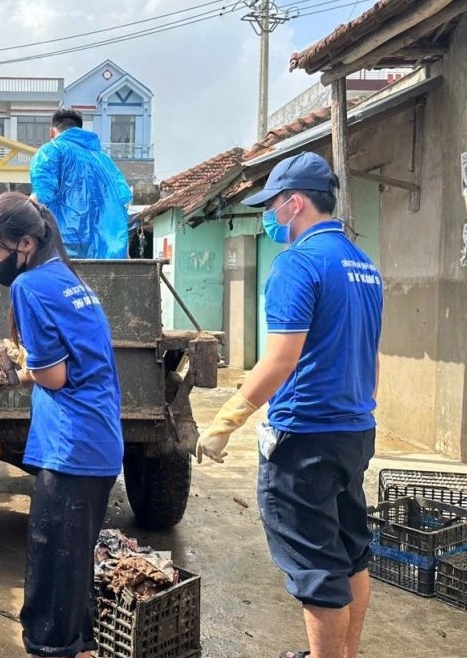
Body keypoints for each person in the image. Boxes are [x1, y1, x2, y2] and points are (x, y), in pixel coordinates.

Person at [196, 152, 383, 658]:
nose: (270, 216)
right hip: (354, 432)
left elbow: (279, 361)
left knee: (317, 571)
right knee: (351, 554)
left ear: (295, 203)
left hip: (305, 439)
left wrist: (226, 421)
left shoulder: (297, 264)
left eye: (272, 205)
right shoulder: (363, 265)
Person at [0, 191, 123, 658]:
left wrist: (5, 376)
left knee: (52, 572)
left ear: (23, 244)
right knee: (72, 565)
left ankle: (54, 649)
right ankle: (79, 647)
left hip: (72, 445)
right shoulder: (66, 276)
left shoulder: (30, 286)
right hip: (97, 438)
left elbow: (54, 376)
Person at [29, 108, 133, 259]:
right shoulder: (105, 161)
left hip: (63, 245)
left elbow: (42, 196)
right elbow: (124, 199)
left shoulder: (51, 150)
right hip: (106, 249)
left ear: (51, 132)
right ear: (80, 129)